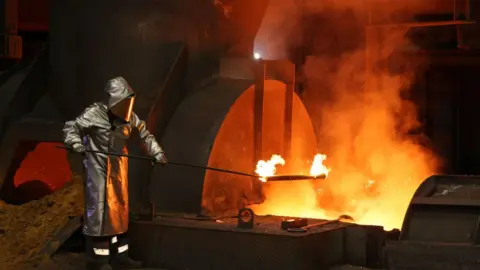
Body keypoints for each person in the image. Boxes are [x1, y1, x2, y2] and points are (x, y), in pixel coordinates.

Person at [63, 77, 167, 270]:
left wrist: (157, 152)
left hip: (119, 169)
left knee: (119, 213)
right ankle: (99, 260)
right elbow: (72, 127)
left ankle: (121, 256)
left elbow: (144, 134)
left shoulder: (129, 117)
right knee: (100, 214)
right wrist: (76, 143)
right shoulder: (94, 114)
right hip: (98, 168)